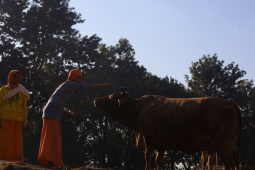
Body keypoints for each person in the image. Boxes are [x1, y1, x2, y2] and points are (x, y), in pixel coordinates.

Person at [38, 69, 115, 168]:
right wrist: (104, 85)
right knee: (53, 139)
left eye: (81, 78)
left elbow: (55, 102)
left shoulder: (67, 86)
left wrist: (66, 112)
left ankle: (53, 162)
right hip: (51, 113)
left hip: (53, 112)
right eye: (79, 77)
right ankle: (54, 163)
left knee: (55, 139)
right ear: (73, 77)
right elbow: (84, 87)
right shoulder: (68, 84)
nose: (80, 80)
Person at [0, 70, 30, 162]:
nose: (16, 79)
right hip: (6, 120)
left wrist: (25, 122)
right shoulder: (3, 90)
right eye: (14, 77)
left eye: (18, 78)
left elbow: (24, 109)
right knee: (4, 141)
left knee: (16, 143)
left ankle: (16, 162)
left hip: (18, 121)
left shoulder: (22, 92)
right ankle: (3, 160)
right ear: (10, 78)